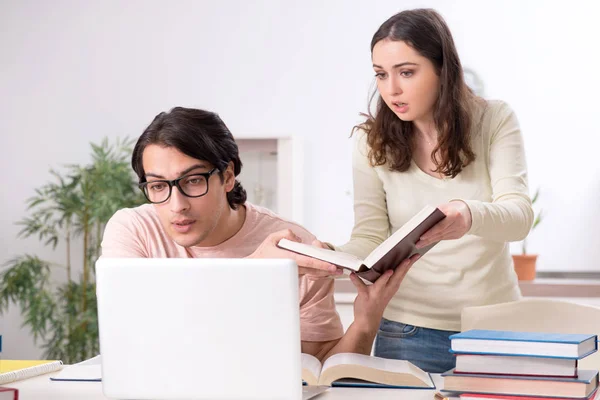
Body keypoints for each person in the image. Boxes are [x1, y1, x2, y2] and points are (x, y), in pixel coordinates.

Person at [101, 106, 420, 362]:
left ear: (227, 177)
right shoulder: (133, 231)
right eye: (158, 186)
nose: (176, 205)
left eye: (193, 181)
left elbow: (321, 369)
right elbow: (135, 336)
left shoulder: (295, 245)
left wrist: (366, 321)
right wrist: (254, 270)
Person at [335, 8, 534, 372]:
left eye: (406, 72)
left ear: (443, 69)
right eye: (381, 75)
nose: (391, 89)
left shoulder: (494, 120)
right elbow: (370, 235)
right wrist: (331, 256)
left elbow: (519, 217)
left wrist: (467, 215)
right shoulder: (370, 141)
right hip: (407, 331)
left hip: (495, 327)